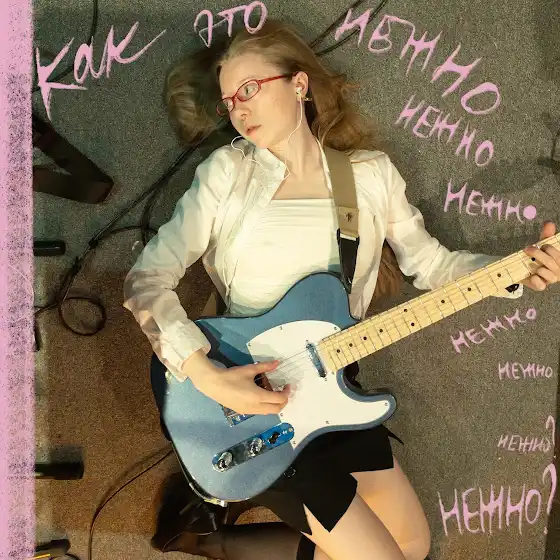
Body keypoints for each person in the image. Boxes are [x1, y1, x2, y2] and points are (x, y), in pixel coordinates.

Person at [123, 19, 560, 560]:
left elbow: (431, 265)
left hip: (332, 386)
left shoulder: (369, 175)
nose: (238, 110)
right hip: (245, 399)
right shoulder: (227, 173)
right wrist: (210, 378)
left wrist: (515, 270)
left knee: (412, 546)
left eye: (250, 89)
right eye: (229, 101)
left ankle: (207, 536)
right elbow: (146, 280)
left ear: (299, 84)